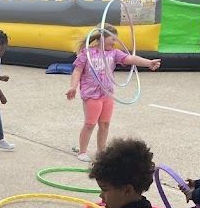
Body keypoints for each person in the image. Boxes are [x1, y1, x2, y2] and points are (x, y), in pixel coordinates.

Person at [66, 29, 160, 162]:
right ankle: (82, 151)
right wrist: (73, 87)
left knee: (105, 124)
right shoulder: (87, 53)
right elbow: (77, 71)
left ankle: (101, 152)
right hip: (92, 95)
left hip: (107, 94)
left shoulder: (114, 53)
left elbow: (130, 59)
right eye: (113, 39)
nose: (115, 42)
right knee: (90, 124)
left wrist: (148, 63)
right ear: (102, 38)